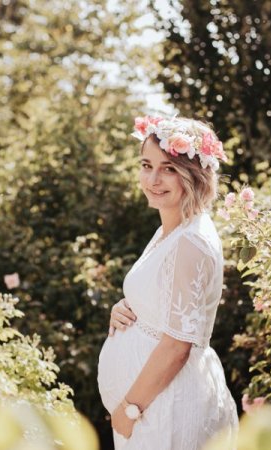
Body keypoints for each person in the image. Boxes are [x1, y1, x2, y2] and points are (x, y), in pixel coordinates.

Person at [97, 116, 239, 449]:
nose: (153, 179)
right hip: (154, 406)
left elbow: (177, 346)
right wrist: (125, 309)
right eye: (147, 165)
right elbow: (166, 305)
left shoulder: (191, 241)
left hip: (165, 408)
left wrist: (128, 411)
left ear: (194, 174)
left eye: (169, 169)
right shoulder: (170, 231)